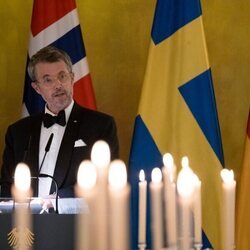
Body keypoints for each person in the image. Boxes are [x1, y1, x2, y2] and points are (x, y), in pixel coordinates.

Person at [0, 46, 119, 198]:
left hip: (77, 220)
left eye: (62, 76)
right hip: (27, 220)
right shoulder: (17, 132)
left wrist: (58, 200)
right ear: (37, 88)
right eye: (48, 80)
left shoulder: (101, 125)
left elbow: (105, 179)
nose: (58, 85)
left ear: (72, 78)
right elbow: (7, 186)